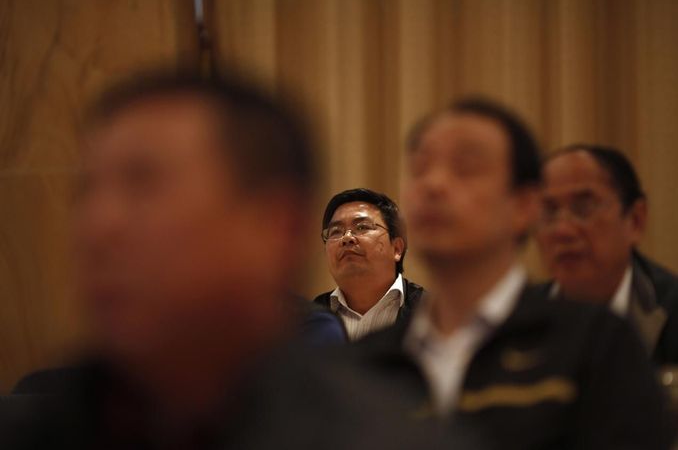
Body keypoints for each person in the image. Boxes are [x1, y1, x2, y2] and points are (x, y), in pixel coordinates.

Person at [1, 69, 446, 450]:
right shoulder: (35, 427)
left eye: (144, 185)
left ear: (275, 226)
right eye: (87, 192)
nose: (97, 226)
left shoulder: (389, 436)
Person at [350, 98, 675, 450]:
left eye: (465, 168)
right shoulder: (368, 363)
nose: (433, 185)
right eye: (420, 168)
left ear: (524, 206)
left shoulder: (595, 345)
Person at [535, 144, 678, 364]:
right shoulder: (514, 323)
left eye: (583, 208)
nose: (562, 230)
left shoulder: (675, 312)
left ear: (635, 221)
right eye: (549, 212)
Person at [314, 188, 425, 341]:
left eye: (362, 227)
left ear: (397, 248)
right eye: (336, 231)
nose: (347, 238)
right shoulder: (305, 323)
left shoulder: (432, 315)